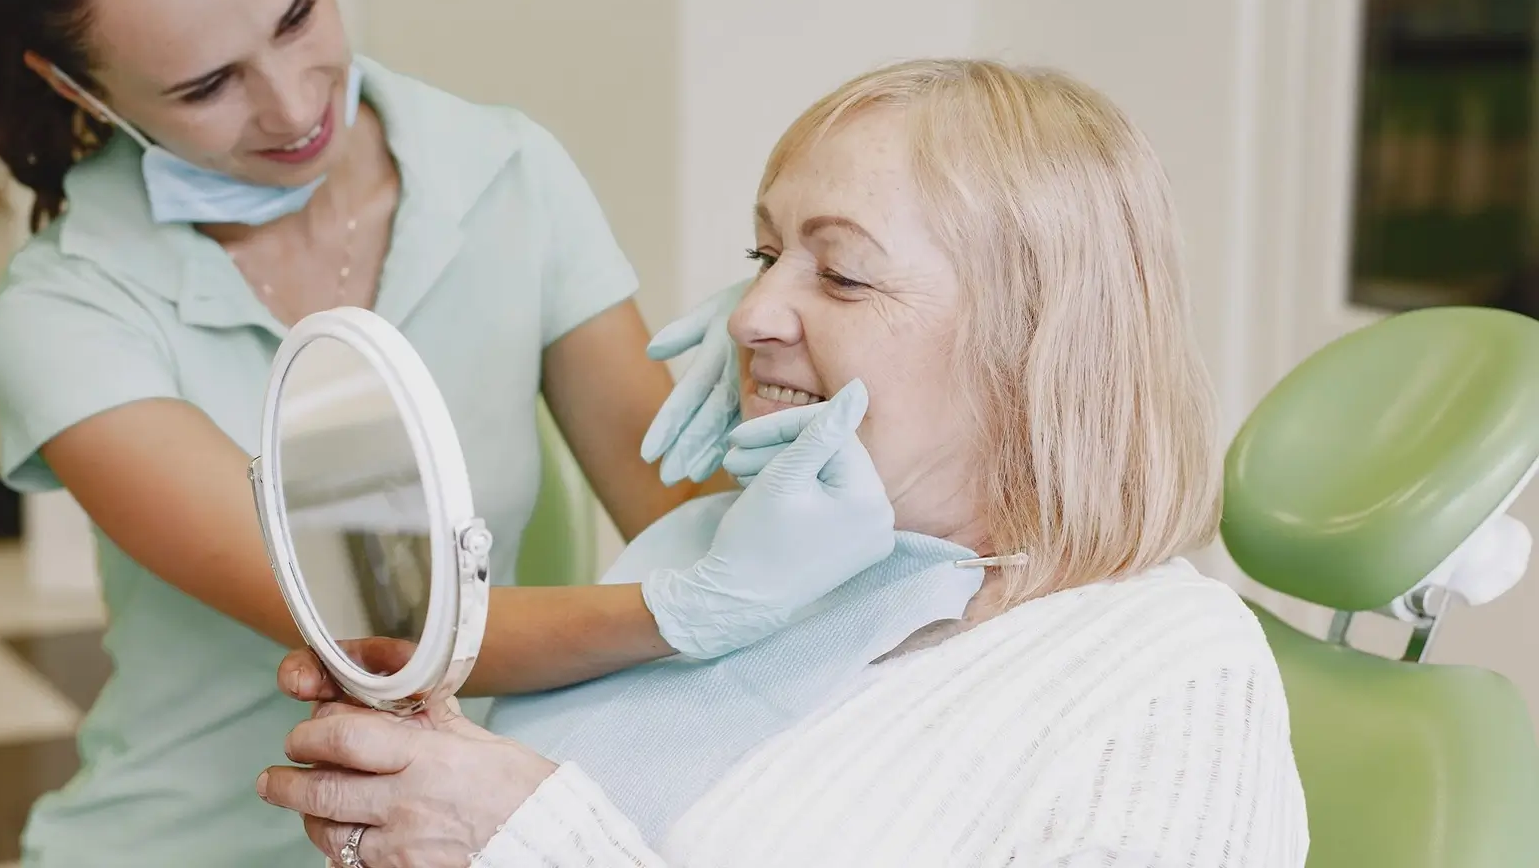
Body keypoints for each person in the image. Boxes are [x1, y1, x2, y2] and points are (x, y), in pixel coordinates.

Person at [0, 0, 857, 864]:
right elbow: (380, 632)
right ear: (74, 84)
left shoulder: (506, 176)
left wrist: (786, 399)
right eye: (205, 85)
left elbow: (683, 519)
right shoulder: (67, 310)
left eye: (298, 13)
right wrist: (694, 602)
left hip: (473, 830)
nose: (291, 105)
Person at [260, 59, 1312, 866]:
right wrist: (416, 806)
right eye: (763, 256)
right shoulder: (759, 555)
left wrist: (529, 836)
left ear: (1036, 347)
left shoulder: (1164, 674)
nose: (753, 314)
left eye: (842, 273)